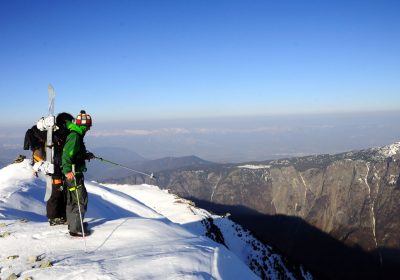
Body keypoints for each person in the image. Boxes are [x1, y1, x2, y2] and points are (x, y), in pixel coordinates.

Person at [62, 110, 94, 237]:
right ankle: (75, 229)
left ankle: (74, 224)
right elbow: (67, 154)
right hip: (73, 174)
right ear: (83, 126)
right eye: (88, 126)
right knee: (81, 200)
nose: (89, 129)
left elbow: (75, 154)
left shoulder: (76, 135)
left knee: (72, 200)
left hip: (73, 172)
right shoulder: (75, 136)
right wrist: (67, 170)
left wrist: (86, 156)